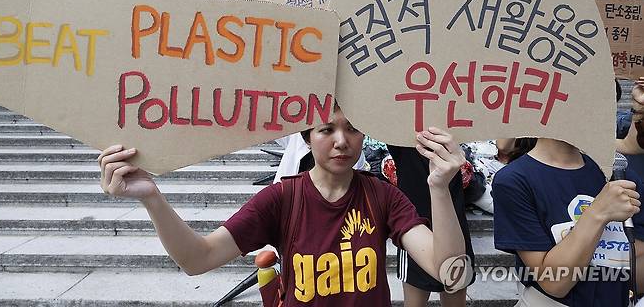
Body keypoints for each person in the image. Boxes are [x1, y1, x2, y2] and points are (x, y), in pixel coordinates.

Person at [98, 106, 468, 306]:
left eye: (352, 129)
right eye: (326, 129)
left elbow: (447, 269)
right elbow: (198, 258)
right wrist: (152, 198)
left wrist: (439, 187)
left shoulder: (382, 195)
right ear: (307, 137)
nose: (341, 141)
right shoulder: (281, 199)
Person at [492, 135, 644, 306]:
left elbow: (633, 275)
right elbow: (554, 282)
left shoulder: (620, 174)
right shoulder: (514, 180)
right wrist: (597, 214)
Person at [387, 144, 477, 307]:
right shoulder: (401, 137)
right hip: (413, 229)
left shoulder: (451, 138)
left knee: (455, 286)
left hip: (453, 225)